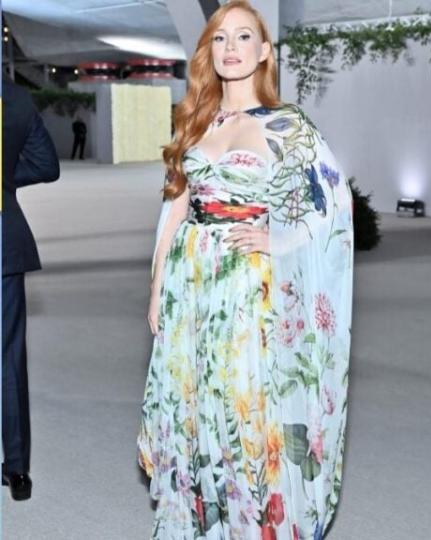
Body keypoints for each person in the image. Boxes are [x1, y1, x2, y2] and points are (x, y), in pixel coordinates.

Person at [136, 2, 354, 538]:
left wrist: (278, 239)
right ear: (209, 51)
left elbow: (334, 207)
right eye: (220, 39)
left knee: (242, 406)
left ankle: (251, 525)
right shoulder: (197, 118)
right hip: (190, 287)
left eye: (243, 37)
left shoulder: (287, 125)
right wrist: (158, 282)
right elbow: (178, 206)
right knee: (194, 401)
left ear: (263, 53)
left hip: (245, 288)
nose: (231, 48)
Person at [2, 76, 61, 501]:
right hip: (5, 243)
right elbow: (46, 165)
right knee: (8, 359)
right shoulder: (16, 97)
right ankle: (18, 470)